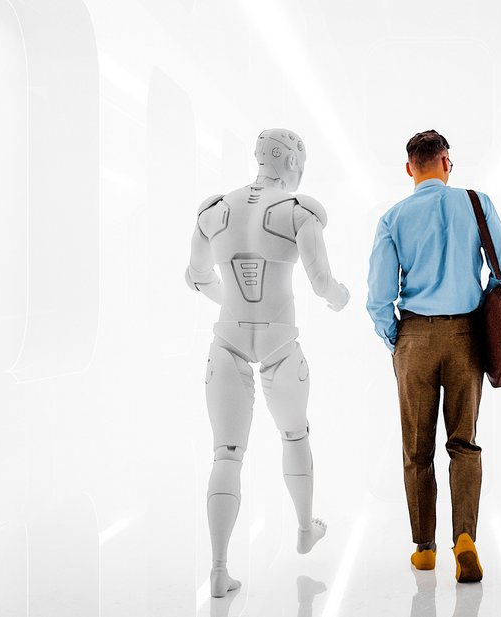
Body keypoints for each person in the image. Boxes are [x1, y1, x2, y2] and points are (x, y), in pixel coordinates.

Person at [186, 128, 351, 597]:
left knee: (226, 453)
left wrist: (230, 304)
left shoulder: (214, 211)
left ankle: (218, 570)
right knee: (294, 432)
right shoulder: (300, 213)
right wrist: (341, 298)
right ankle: (304, 528)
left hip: (228, 340)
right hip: (281, 344)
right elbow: (323, 283)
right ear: (294, 163)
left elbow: (196, 277)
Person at [366, 129, 501, 583]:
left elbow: (377, 297)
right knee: (464, 443)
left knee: (417, 449)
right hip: (465, 337)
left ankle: (425, 549)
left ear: (410, 168)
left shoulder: (393, 218)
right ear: (447, 162)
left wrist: (398, 338)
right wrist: (483, 297)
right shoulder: (477, 203)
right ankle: (466, 539)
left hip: (413, 337)